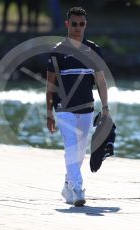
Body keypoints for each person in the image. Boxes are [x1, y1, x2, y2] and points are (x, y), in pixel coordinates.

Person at [46, 7, 109, 206]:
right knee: (71, 147)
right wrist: (49, 113)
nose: (77, 28)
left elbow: (100, 81)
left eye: (81, 24)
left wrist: (105, 108)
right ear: (67, 24)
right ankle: (78, 188)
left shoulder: (93, 50)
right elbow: (50, 87)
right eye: (74, 24)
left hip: (87, 109)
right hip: (64, 110)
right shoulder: (57, 51)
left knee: (80, 152)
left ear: (85, 25)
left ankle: (67, 185)